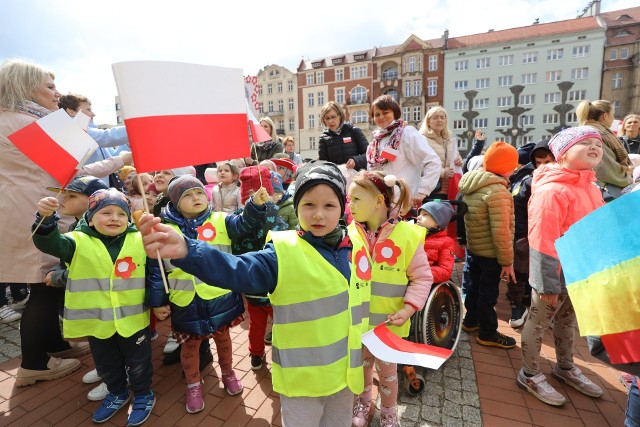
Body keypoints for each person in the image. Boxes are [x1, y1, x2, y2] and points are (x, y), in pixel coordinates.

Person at [138, 161, 373, 427]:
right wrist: (187, 250)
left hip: (346, 374)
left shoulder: (355, 244)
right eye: (308, 205)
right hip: (303, 381)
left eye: (329, 205)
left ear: (342, 207)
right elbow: (237, 269)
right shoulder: (282, 252)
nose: (318, 214)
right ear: (296, 207)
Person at [146, 176, 275, 413]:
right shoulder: (165, 230)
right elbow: (156, 270)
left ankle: (228, 373)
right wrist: (157, 302)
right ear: (174, 202)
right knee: (189, 347)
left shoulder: (221, 219)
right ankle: (193, 384)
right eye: (187, 195)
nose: (195, 198)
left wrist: (255, 206)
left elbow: (244, 225)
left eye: (198, 192)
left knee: (223, 340)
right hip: (185, 302)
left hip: (220, 299)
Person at [32, 189, 156, 425]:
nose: (114, 218)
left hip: (133, 320)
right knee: (106, 363)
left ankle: (143, 394)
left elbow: (153, 274)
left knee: (139, 363)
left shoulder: (139, 239)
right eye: (106, 212)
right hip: (97, 322)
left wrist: (156, 300)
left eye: (122, 214)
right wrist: (45, 219)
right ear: (89, 218)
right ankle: (117, 393)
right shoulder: (76, 241)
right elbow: (49, 243)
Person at [0, 58, 83, 386]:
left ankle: (52, 346)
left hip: (17, 208)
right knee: (47, 284)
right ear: (24, 86)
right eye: (49, 86)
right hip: (36, 209)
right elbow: (76, 166)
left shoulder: (7, 119)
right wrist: (120, 159)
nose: (58, 93)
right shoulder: (29, 122)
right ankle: (34, 363)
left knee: (40, 283)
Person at [517, 126, 605, 406]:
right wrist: (546, 284)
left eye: (598, 144)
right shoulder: (553, 190)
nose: (594, 147)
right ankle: (529, 372)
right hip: (553, 272)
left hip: (580, 270)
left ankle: (565, 367)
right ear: (564, 152)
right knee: (539, 321)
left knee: (567, 321)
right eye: (586, 143)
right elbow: (542, 239)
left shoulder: (591, 187)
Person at [347, 171, 432, 427]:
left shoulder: (408, 236)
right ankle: (361, 402)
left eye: (355, 199)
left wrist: (408, 309)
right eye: (349, 199)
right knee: (360, 369)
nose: (349, 205)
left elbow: (422, 277)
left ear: (379, 202)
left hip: (388, 325)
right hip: (358, 323)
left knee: (388, 374)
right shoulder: (348, 233)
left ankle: (388, 412)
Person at [459, 141, 517, 349]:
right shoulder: (498, 192)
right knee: (488, 293)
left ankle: (471, 320)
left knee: (474, 287)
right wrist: (507, 262)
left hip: (475, 248)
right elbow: (501, 231)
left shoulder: (472, 185)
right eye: (513, 164)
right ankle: (487, 332)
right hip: (492, 254)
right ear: (506, 167)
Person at [507, 140, 555, 328]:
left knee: (545, 275)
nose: (542, 166)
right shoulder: (527, 180)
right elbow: (517, 207)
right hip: (525, 235)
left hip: (551, 238)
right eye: (539, 162)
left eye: (548, 162)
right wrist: (519, 236)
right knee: (518, 271)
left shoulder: (563, 181)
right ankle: (517, 305)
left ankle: (544, 310)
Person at [366, 95, 441, 208]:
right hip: (383, 204)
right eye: (377, 114)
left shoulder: (406, 133)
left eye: (385, 112)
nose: (381, 117)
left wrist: (422, 191)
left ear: (394, 113)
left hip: (404, 202)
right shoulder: (375, 141)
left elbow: (433, 161)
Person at [58, 93, 130, 187]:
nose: (93, 114)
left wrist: (127, 144)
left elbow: (112, 157)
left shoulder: (92, 132)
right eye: (88, 110)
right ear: (71, 111)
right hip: (85, 190)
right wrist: (135, 127)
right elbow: (107, 136)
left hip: (99, 188)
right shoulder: (73, 130)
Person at [578, 99, 632, 198]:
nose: (613, 118)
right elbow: (605, 168)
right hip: (603, 191)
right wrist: (628, 177)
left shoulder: (596, 131)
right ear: (605, 116)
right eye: (613, 114)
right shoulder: (595, 133)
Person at [418, 106, 463, 199]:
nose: (439, 120)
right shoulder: (421, 139)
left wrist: (459, 161)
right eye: (435, 117)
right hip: (431, 191)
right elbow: (418, 165)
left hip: (451, 189)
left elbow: (456, 159)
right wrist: (442, 173)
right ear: (428, 122)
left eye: (442, 117)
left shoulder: (450, 140)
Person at [318, 101, 369, 171]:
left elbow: (368, 154)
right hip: (336, 178)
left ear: (340, 116)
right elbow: (323, 164)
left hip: (356, 177)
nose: (330, 121)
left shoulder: (354, 131)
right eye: (327, 118)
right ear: (323, 120)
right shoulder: (323, 138)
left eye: (333, 117)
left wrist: (356, 161)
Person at [416, 201, 456, 284]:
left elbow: (445, 271)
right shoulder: (412, 235)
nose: (418, 217)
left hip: (424, 282)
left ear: (437, 223)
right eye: (419, 214)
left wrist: (420, 272)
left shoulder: (446, 242)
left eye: (425, 215)